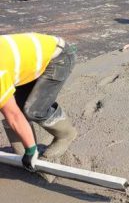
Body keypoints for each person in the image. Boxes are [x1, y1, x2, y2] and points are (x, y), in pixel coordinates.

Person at [1, 33, 78, 172]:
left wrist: (31, 151)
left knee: (33, 109)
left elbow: (13, 115)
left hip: (58, 57)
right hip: (27, 64)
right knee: (14, 107)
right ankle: (23, 153)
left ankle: (66, 134)